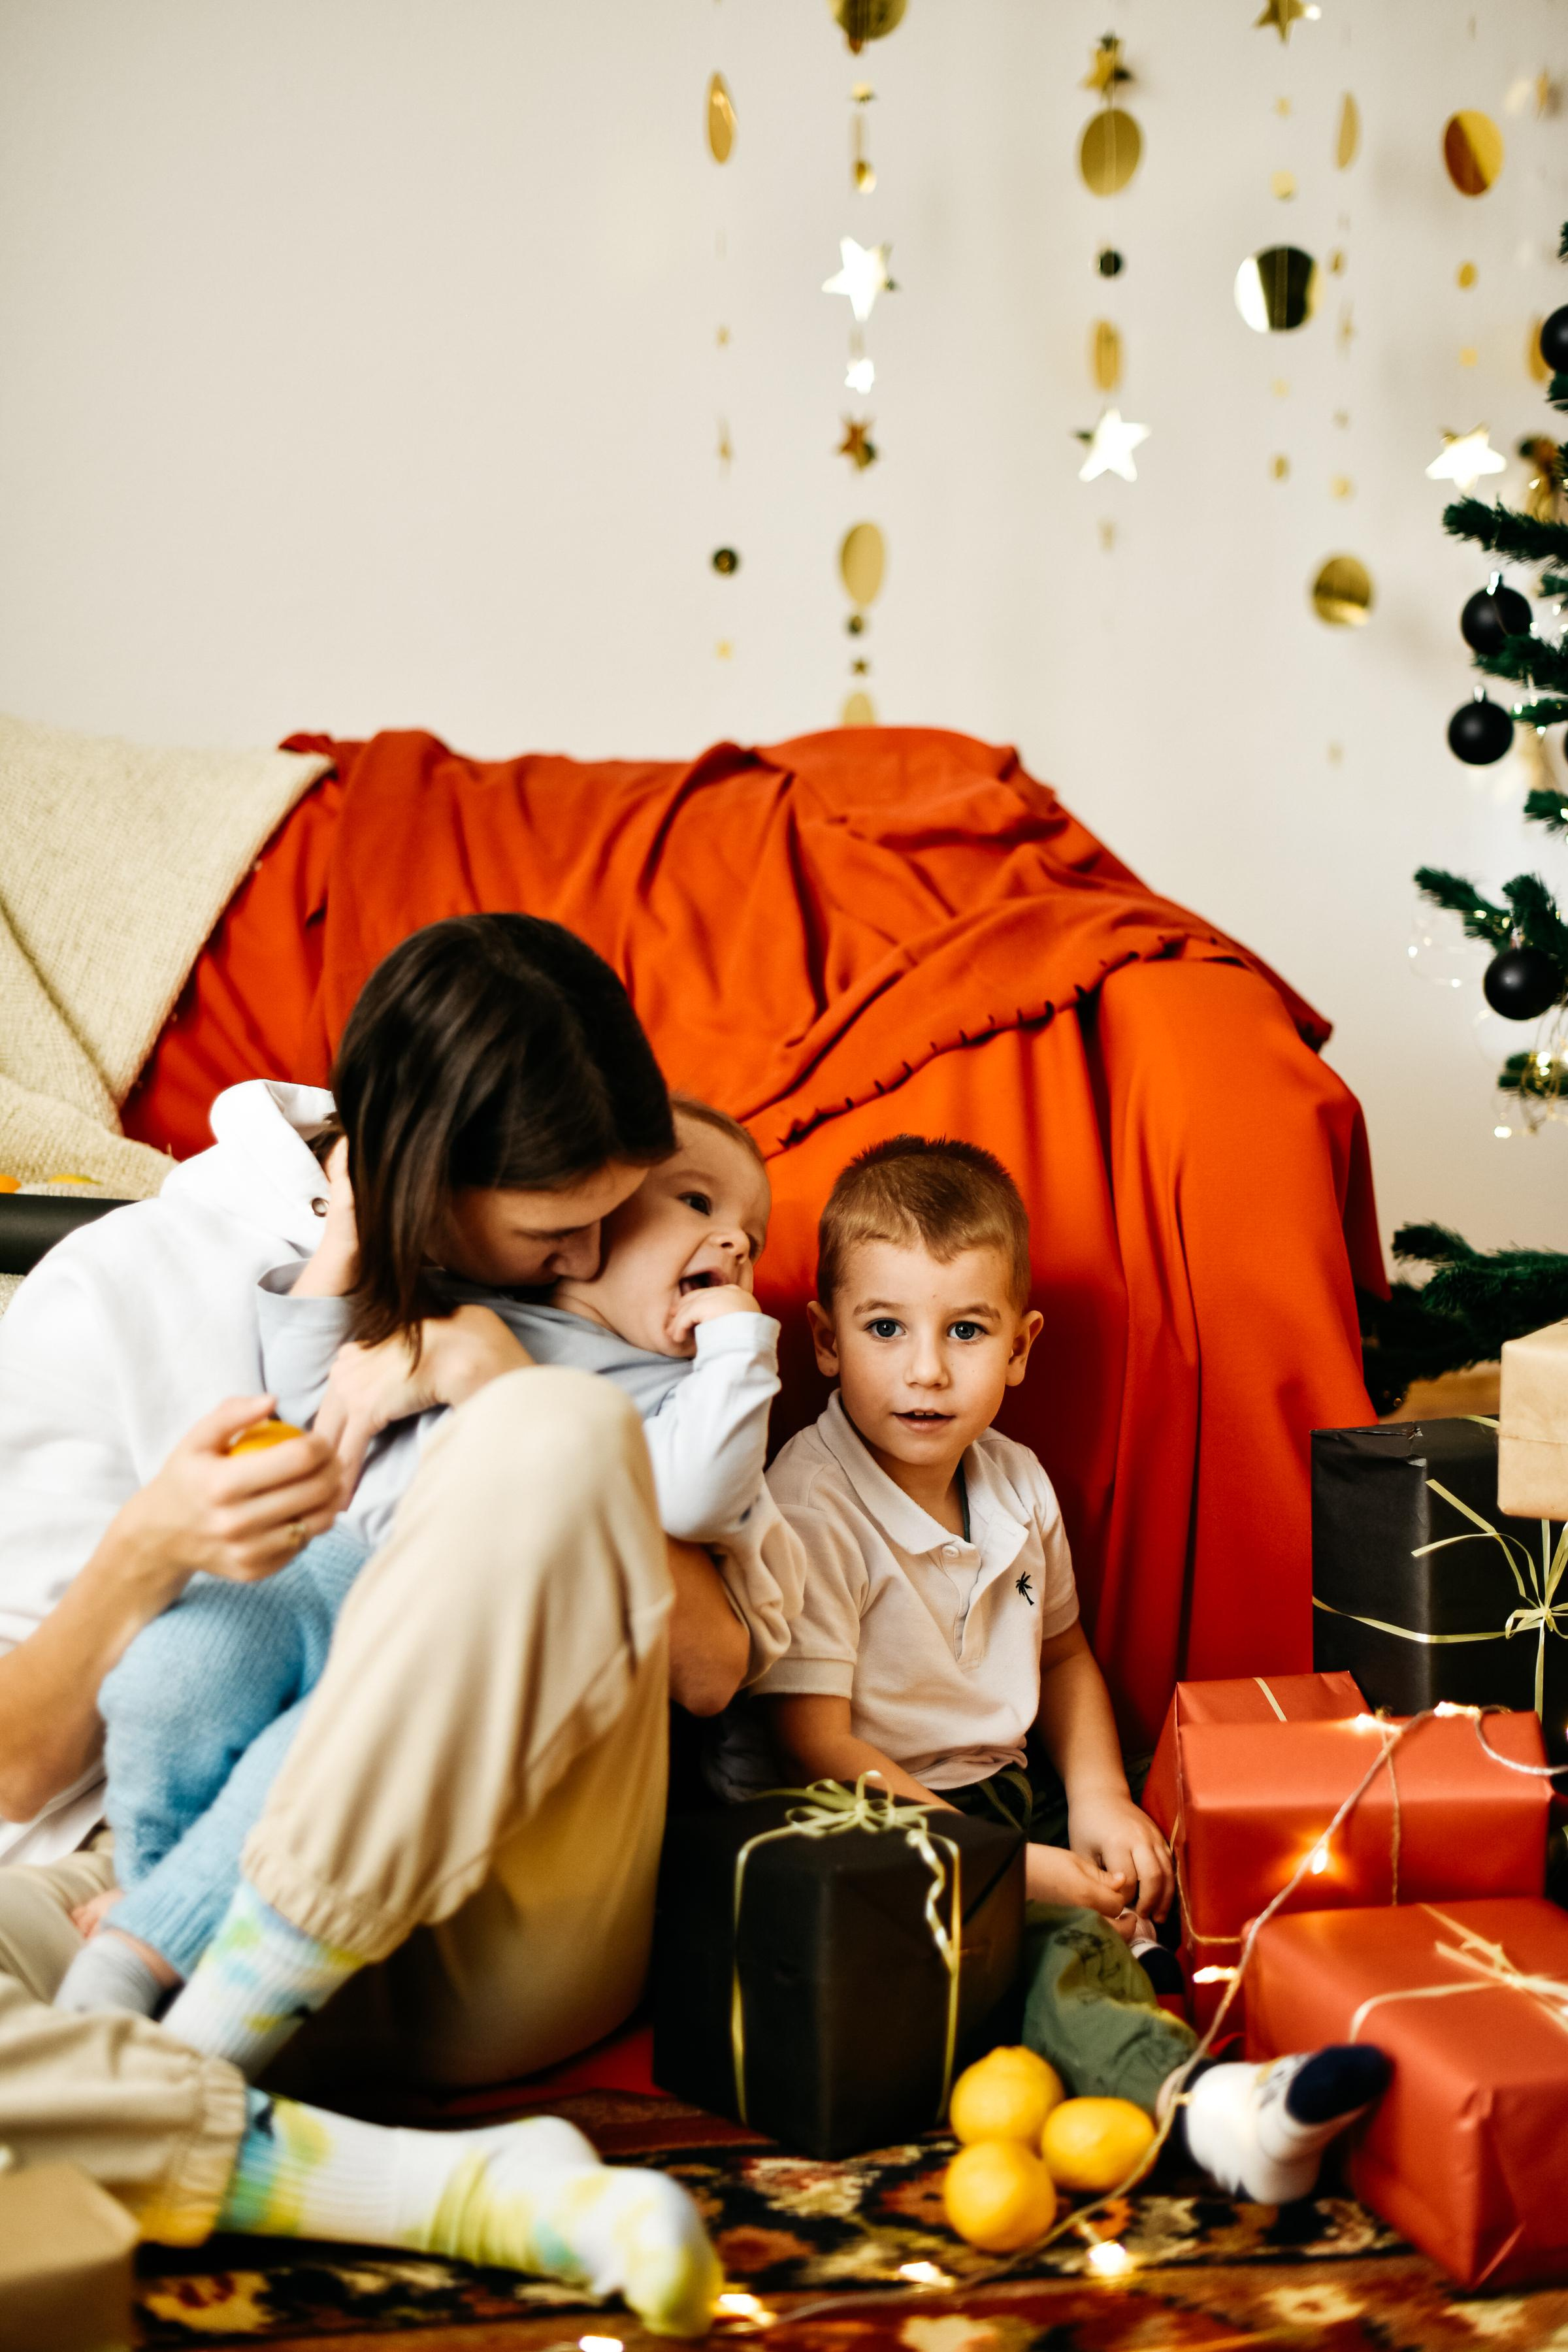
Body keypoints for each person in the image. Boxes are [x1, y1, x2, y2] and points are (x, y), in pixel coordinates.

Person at [0, 914, 751, 2332]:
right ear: (417, 1175)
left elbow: (712, 1663)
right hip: (123, 1891)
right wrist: (150, 1552)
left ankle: (167, 2069)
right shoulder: (107, 1292)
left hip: (489, 1907)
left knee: (553, 1426)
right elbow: (10, 1776)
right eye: (551, 1229)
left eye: (614, 1210)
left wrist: (493, 1378)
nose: (593, 1254)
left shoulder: (579, 1313)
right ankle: (437, 2189)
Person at [58, 1093, 801, 2015]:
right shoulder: (461, 1301)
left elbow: (697, 1510)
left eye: (752, 1240)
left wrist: (735, 1341)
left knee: (335, 1730)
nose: (734, 1245)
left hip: (479, 1657)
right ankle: (158, 1876)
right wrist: (343, 1252)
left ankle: (141, 1955)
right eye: (698, 1204)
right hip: (343, 1574)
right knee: (186, 1654)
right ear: (587, 1207)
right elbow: (311, 1406)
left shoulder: (687, 1394)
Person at [753, 1134, 1390, 2204]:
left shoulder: (1016, 1482)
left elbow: (1063, 1654)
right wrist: (1014, 1869)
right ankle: (1205, 2115)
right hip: (872, 1817)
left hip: (1009, 1786)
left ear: (1019, 1346)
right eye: (884, 1329)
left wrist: (1096, 1799)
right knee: (1048, 1934)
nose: (925, 1369)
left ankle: (1286, 1999)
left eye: (964, 1331)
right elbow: (815, 1744)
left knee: (1163, 1867)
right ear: (824, 1339)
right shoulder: (814, 1503)